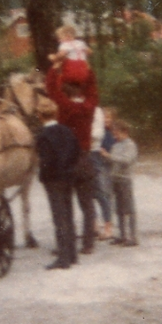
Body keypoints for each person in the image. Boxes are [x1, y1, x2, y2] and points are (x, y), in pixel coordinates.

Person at [46, 60, 100, 255]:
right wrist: (88, 69)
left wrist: (54, 67)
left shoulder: (64, 107)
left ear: (64, 92)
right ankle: (88, 243)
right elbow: (93, 91)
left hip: (66, 162)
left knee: (66, 204)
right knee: (87, 204)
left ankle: (68, 243)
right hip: (84, 159)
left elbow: (51, 88)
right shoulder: (89, 107)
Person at [34, 96, 80, 269]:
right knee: (68, 214)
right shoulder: (67, 131)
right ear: (55, 113)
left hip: (53, 179)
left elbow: (46, 161)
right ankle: (72, 254)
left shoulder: (43, 136)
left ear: (39, 115)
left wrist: (43, 176)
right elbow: (76, 151)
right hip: (68, 176)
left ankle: (63, 258)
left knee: (58, 217)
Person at [108, 120, 139, 246]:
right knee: (119, 208)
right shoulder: (115, 145)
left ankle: (133, 236)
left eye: (117, 134)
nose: (115, 136)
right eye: (113, 134)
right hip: (115, 179)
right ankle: (122, 235)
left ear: (125, 132)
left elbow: (126, 160)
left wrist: (109, 157)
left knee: (129, 208)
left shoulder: (130, 145)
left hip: (125, 179)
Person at [91, 106, 116, 240]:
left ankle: (108, 225)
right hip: (96, 162)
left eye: (108, 118)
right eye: (104, 117)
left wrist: (106, 154)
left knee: (103, 194)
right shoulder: (100, 131)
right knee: (91, 194)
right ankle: (95, 225)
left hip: (104, 166)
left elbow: (113, 152)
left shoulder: (110, 134)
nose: (105, 120)